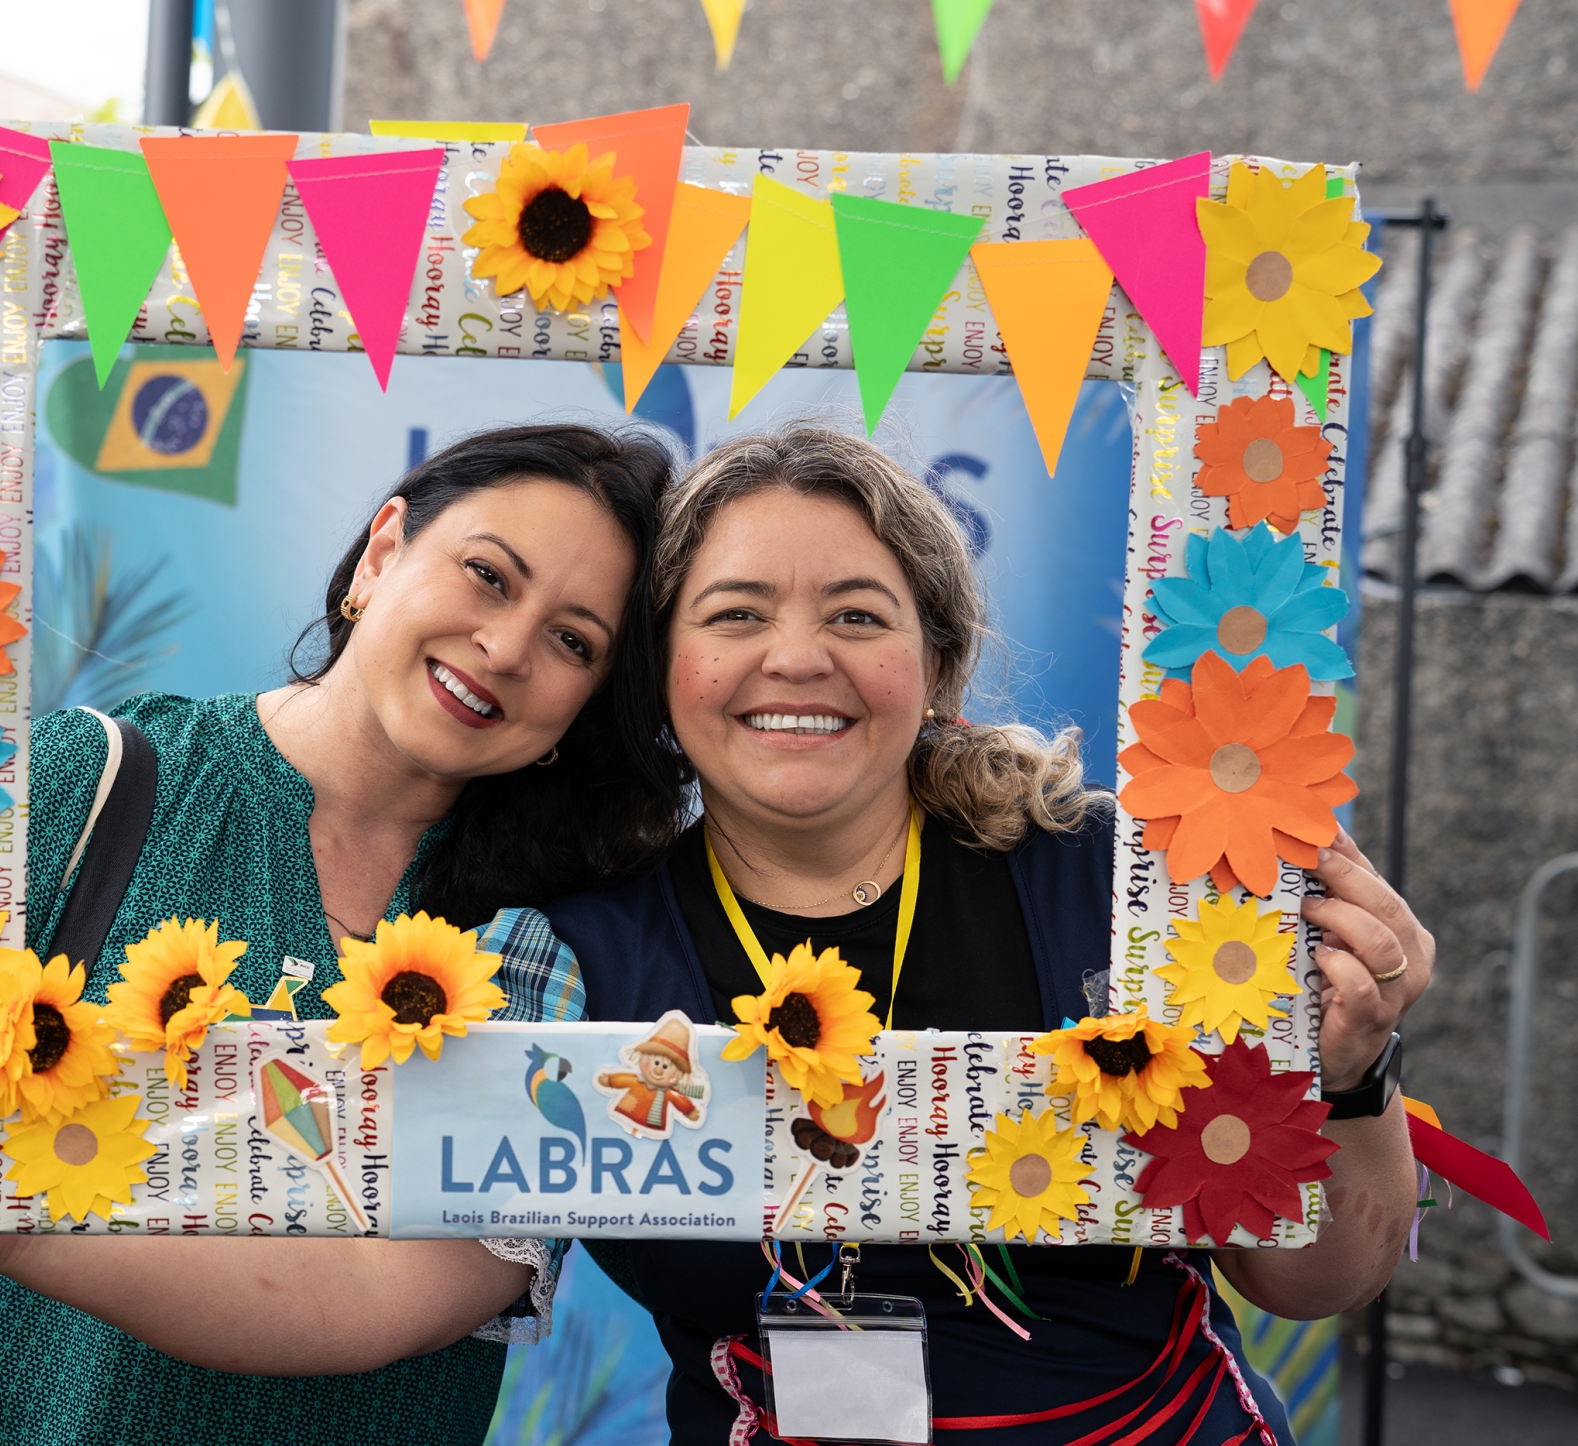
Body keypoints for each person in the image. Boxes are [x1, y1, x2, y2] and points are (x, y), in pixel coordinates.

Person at [0, 423, 686, 1445]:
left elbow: (407, 1293)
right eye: (488, 576)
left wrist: (15, 1231)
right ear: (382, 553)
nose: (506, 647)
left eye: (573, 641)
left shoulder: (560, 942)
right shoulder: (84, 788)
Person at [544, 423, 1436, 1446]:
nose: (794, 657)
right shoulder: (578, 957)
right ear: (659, 666)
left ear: (937, 664)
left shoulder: (1129, 886)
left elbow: (1314, 1281)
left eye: (857, 615)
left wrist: (1352, 1074)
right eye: (735, 614)